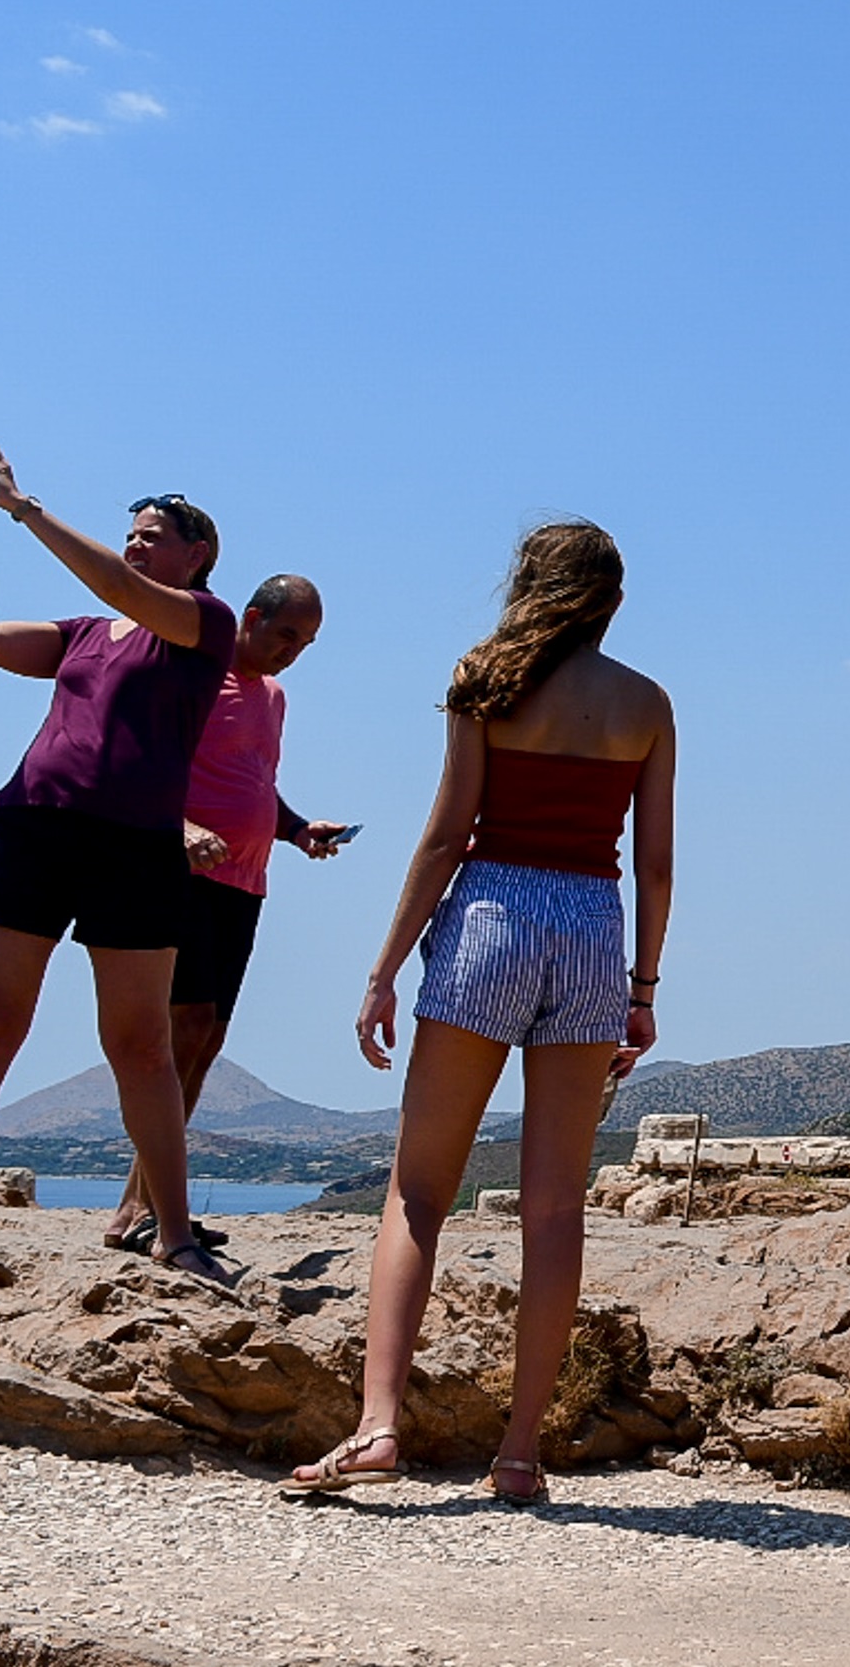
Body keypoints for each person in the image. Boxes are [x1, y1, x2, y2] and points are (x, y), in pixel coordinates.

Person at [288, 520, 671, 1504]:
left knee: (420, 1191)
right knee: (554, 1211)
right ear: (612, 602)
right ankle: (520, 1454)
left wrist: (381, 970)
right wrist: (644, 989)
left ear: (526, 587)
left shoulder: (482, 677)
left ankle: (378, 1428)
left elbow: (445, 833)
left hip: (492, 914)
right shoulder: (646, 704)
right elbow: (658, 862)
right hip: (593, 926)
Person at [0, 445, 245, 1301]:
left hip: (135, 846)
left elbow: (125, 593)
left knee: (141, 1046)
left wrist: (24, 508)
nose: (135, 545)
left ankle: (171, 1235)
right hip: (34, 827)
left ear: (195, 553)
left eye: (152, 534)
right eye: (130, 533)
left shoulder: (206, 622)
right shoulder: (86, 637)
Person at [98, 574, 355, 1255]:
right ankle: (135, 1206)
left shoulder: (273, 697)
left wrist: (299, 830)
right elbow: (139, 762)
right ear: (251, 617)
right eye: (286, 634)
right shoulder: (197, 676)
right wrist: (180, 827)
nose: (293, 651)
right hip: (182, 873)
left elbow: (255, 784)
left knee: (204, 1040)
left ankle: (152, 1197)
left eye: (306, 641)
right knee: (178, 1034)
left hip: (244, 884)